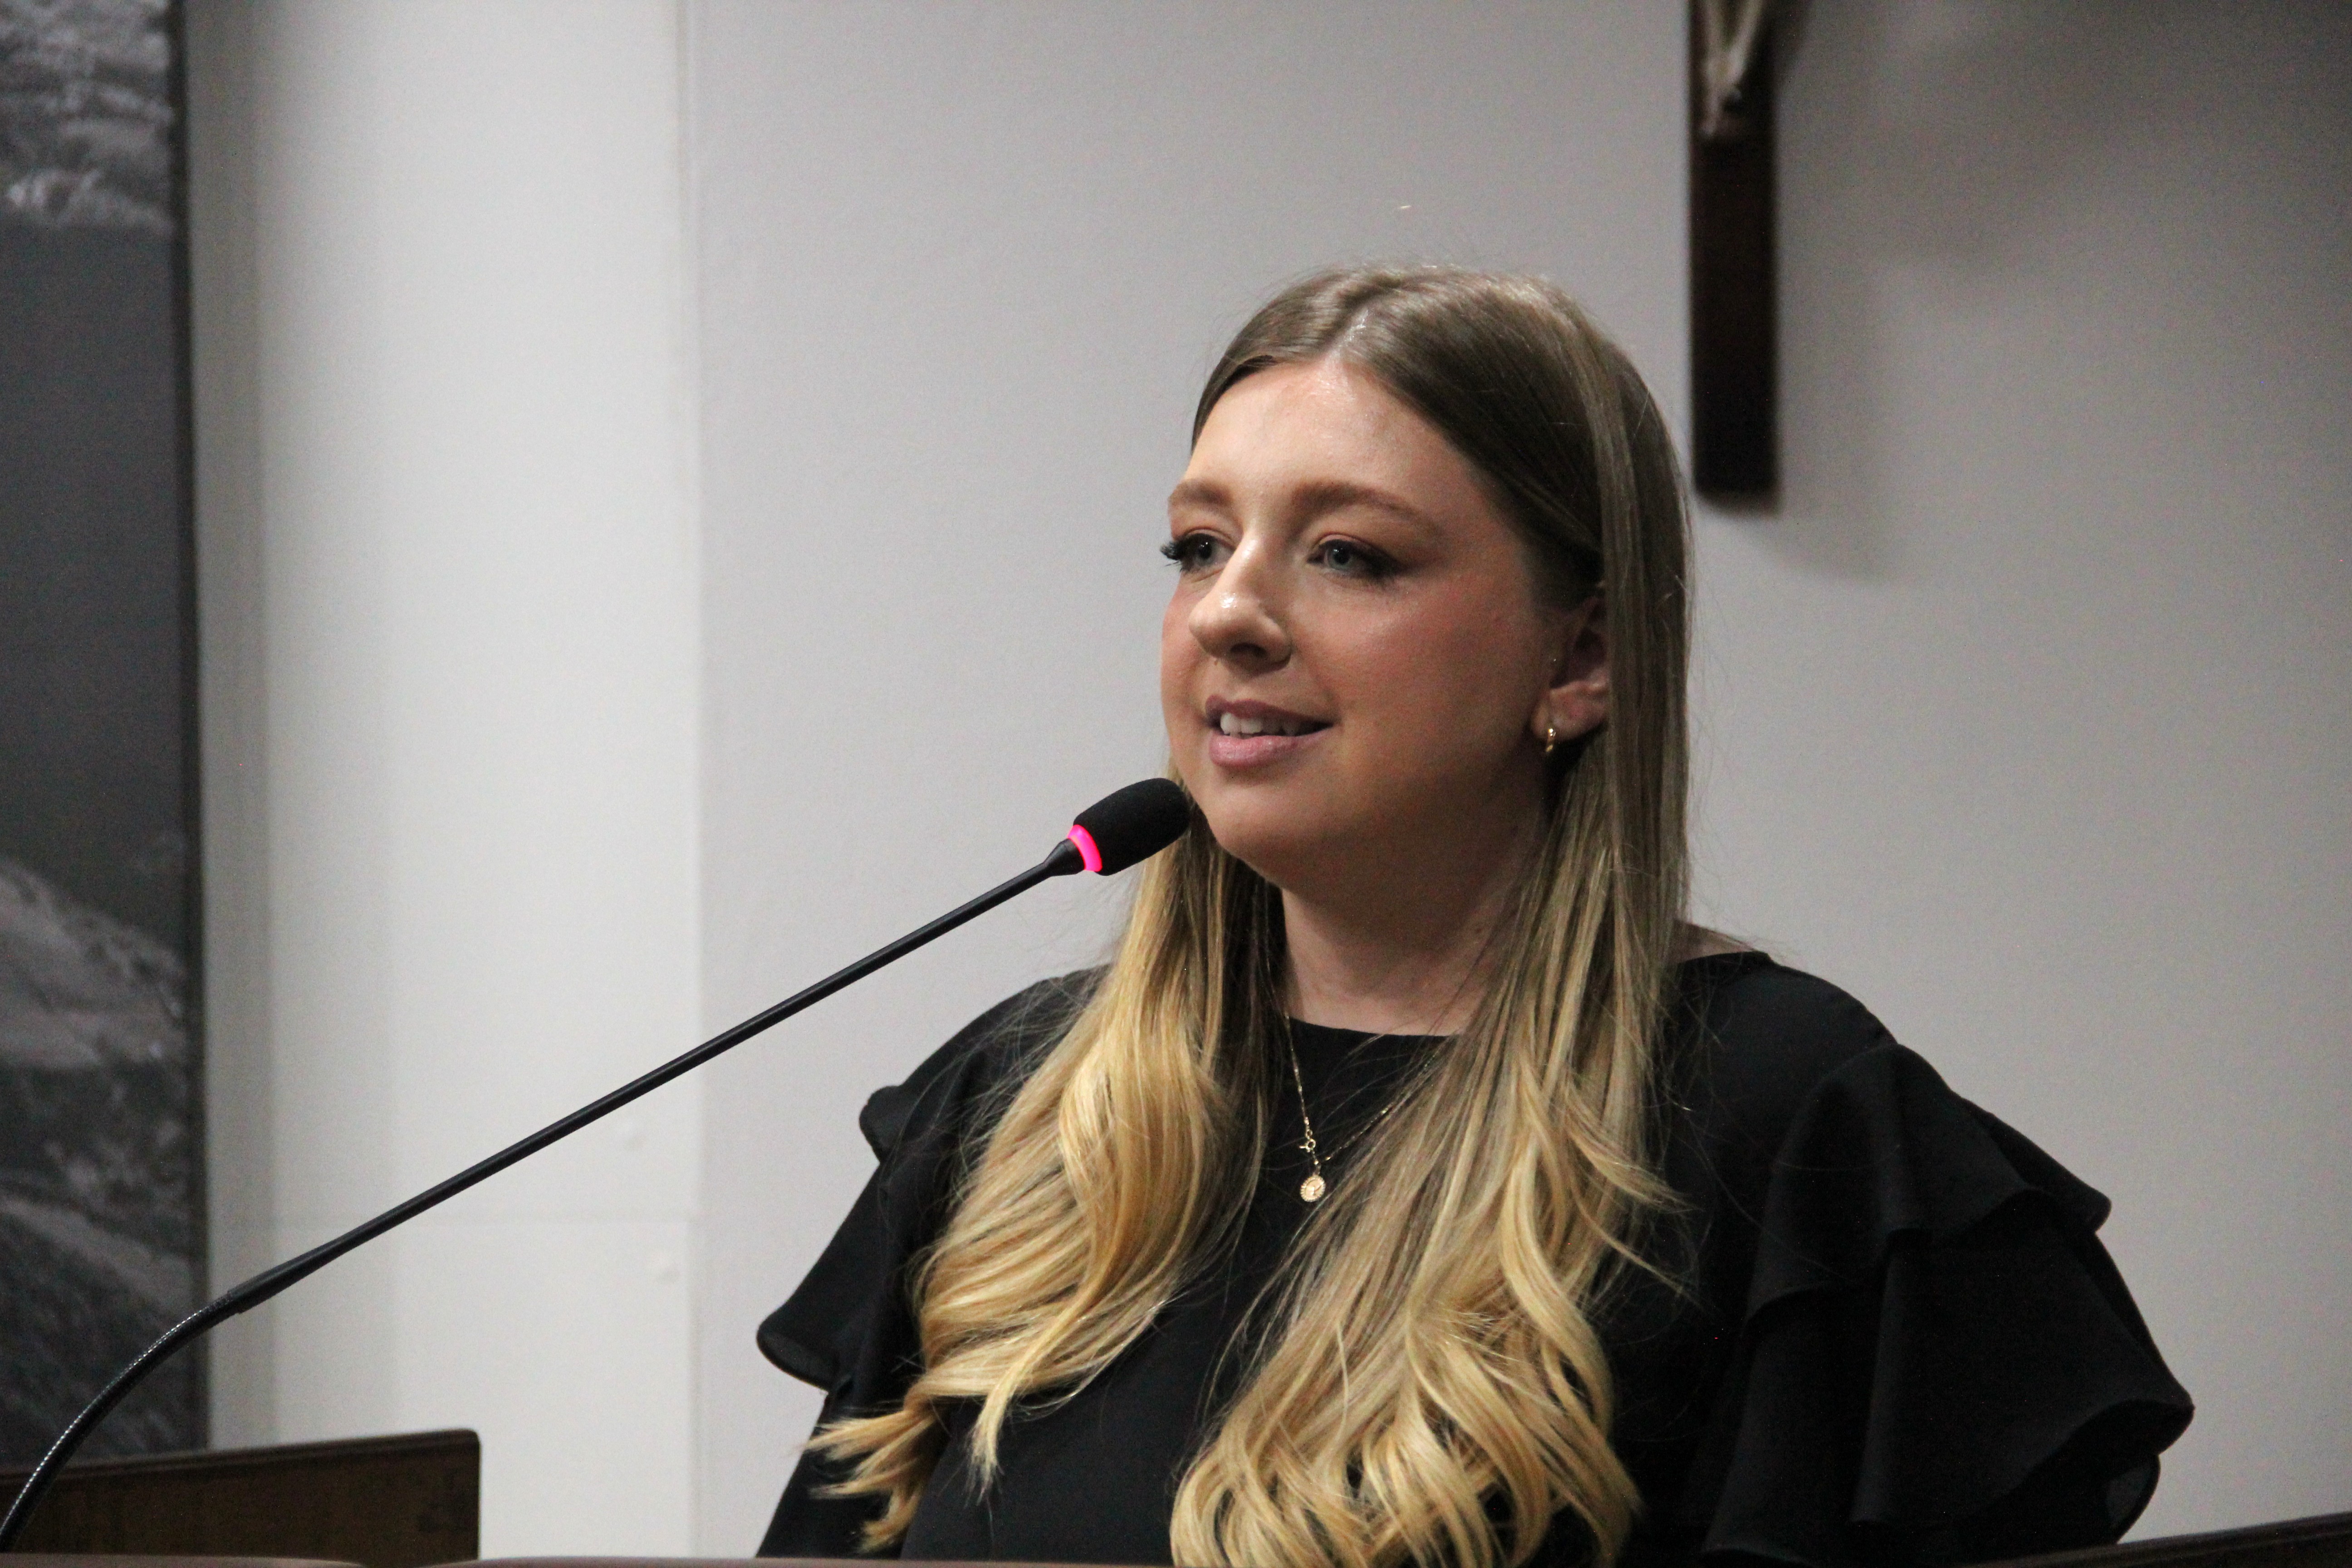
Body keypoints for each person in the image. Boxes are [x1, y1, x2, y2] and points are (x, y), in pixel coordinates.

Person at [754, 267, 2190, 1568]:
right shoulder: (1020, 1110)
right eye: (1198, 545)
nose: (1228, 614)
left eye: (1349, 555)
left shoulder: (1780, 1120)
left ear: (1580, 658)